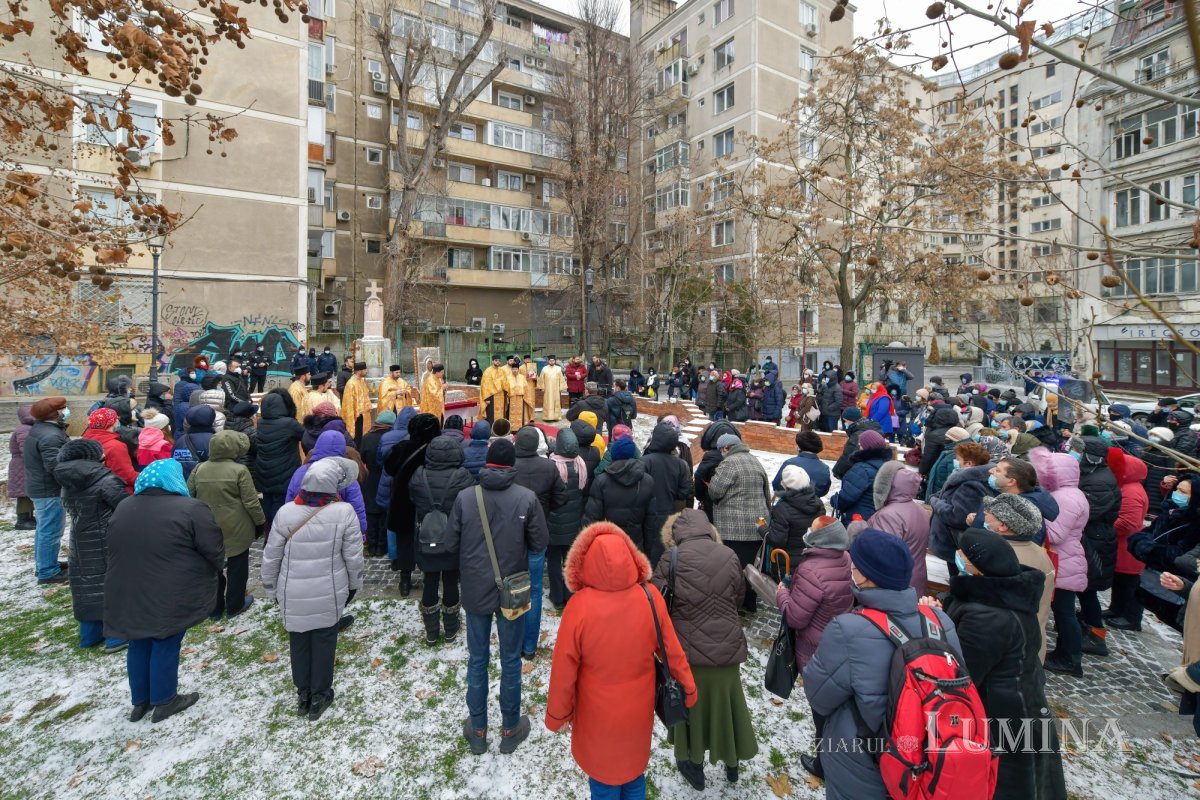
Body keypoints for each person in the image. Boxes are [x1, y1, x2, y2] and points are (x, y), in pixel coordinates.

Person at [546, 521, 697, 798]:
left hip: (596, 715)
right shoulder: (650, 597)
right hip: (638, 710)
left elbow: (563, 669)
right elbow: (672, 651)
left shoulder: (578, 607)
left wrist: (558, 714)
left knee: (604, 780)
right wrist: (688, 688)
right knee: (633, 773)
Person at [802, 529, 961, 790]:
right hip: (929, 753)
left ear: (863, 575)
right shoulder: (940, 620)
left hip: (866, 762)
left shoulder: (848, 629)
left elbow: (818, 696)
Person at [933, 528, 1066, 800]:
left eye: (963, 554)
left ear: (978, 568)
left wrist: (936, 628)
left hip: (999, 715)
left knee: (1002, 784)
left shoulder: (987, 618)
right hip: (1024, 702)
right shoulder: (1007, 596)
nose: (957, 556)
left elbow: (963, 672)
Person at [445, 438, 547, 755]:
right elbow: (541, 542)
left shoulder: (464, 498)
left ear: (487, 463)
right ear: (512, 465)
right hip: (512, 592)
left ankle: (478, 729)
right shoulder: (527, 498)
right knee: (511, 662)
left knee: (477, 661)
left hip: (476, 589)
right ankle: (509, 728)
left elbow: (450, 543)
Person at [104, 459, 223, 723]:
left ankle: (141, 700)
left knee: (138, 640)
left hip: (129, 585)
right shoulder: (191, 508)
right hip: (170, 587)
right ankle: (165, 699)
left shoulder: (125, 506)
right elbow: (212, 548)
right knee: (166, 640)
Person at [649, 509, 757, 789]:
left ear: (673, 534)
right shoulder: (729, 556)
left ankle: (693, 764)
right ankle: (732, 764)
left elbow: (656, 607)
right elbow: (738, 597)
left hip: (688, 654)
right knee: (728, 707)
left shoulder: (669, 559)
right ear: (709, 530)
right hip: (727, 652)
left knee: (692, 711)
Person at [261, 457, 363, 720]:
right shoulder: (344, 513)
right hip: (329, 589)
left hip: (292, 590)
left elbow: (271, 556)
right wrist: (354, 585)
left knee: (299, 639)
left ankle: (303, 694)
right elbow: (353, 557)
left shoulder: (285, 513)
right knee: (325, 639)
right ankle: (319, 694)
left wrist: (271, 587)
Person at [55, 439, 129, 652]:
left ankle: (89, 635)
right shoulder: (105, 481)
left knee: (86, 586)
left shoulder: (67, 481)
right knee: (114, 584)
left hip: (80, 540)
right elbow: (124, 506)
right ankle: (116, 637)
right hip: (109, 537)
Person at [187, 430, 265, 619]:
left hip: (208, 526)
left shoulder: (199, 469)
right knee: (238, 567)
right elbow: (251, 501)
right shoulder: (239, 470)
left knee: (213, 568)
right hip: (236, 526)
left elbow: (189, 495)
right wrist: (260, 521)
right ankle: (235, 604)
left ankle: (215, 608)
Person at [1028, 450, 1090, 677]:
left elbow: (1055, 534)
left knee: (1064, 612)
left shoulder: (1065, 498)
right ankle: (1067, 653)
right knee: (1064, 610)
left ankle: (1071, 658)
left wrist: (1032, 516)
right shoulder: (1070, 493)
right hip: (1065, 558)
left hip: (1063, 560)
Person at [409, 435, 475, 645]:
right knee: (450, 579)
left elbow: (413, 498)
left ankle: (431, 631)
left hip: (426, 536)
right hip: (452, 537)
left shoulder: (419, 476)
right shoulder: (463, 476)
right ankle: (451, 628)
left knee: (430, 579)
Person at [513, 426, 567, 658]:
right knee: (534, 589)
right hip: (537, 533)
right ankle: (529, 646)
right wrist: (544, 512)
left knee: (512, 586)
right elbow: (561, 498)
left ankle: (515, 642)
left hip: (512, 537)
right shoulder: (548, 466)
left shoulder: (510, 467)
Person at [776, 515, 853, 673]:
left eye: (811, 529)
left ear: (820, 538)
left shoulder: (810, 570)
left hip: (811, 649)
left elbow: (794, 619)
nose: (808, 531)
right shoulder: (846, 557)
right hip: (836, 639)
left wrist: (782, 593)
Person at [981, 496, 1054, 662]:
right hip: (1030, 649)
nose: (985, 512)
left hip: (1004, 654)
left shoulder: (1001, 558)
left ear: (1003, 526)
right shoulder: (1041, 555)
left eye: (991, 512)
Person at [1069, 435, 1121, 657]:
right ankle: (1085, 625)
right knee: (1082, 588)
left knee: (1087, 589)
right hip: (1090, 537)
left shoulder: (1099, 481)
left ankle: (1096, 635)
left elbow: (1086, 511)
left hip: (1094, 540)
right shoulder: (1092, 474)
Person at [708, 433, 771, 612]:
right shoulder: (754, 460)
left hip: (734, 528)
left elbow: (715, 491)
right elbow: (766, 492)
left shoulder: (729, 463)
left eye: (722, 450)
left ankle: (734, 604)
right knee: (751, 567)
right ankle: (750, 602)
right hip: (757, 526)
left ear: (725, 448)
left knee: (733, 567)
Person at [384, 413, 442, 596]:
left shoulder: (402, 447)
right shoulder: (438, 448)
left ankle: (405, 581)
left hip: (403, 501)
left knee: (405, 541)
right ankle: (429, 578)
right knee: (430, 539)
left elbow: (389, 468)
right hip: (430, 500)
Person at [928, 441, 996, 575]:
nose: (955, 461)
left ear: (969, 463)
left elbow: (958, 517)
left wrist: (935, 502)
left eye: (957, 459)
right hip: (955, 543)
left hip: (955, 543)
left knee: (957, 577)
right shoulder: (968, 478)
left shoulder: (971, 485)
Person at [583, 437, 657, 558]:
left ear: (613, 455)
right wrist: (647, 549)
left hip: (607, 544)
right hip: (635, 544)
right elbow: (650, 521)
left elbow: (591, 518)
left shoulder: (601, 481)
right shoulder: (647, 481)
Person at [867, 461, 931, 595]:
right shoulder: (920, 510)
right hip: (916, 578)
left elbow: (883, 555)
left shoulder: (888, 515)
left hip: (894, 586)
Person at [26, 396, 71, 584]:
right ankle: (47, 571)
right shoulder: (50, 436)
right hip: (49, 490)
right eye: (63, 408)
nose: (66, 411)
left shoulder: (41, 430)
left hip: (41, 487)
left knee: (44, 529)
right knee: (50, 530)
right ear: (55, 413)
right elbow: (55, 466)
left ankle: (46, 563)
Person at [1106, 450, 1150, 630]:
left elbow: (1128, 522)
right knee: (1120, 582)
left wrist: (1107, 530)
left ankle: (1131, 618)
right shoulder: (1127, 487)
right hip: (1124, 546)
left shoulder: (1131, 491)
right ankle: (1116, 609)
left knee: (1129, 584)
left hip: (1128, 547)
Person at [546, 429, 588, 609]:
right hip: (573, 522)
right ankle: (570, 594)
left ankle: (557, 597)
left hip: (553, 524)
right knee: (569, 561)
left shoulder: (551, 466)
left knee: (554, 562)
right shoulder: (581, 464)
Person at [641, 423, 695, 558]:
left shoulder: (644, 461)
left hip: (645, 514)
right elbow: (684, 491)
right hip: (669, 514)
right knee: (666, 551)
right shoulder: (680, 464)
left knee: (647, 551)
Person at [253, 390, 304, 527]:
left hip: (264, 471)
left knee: (268, 499)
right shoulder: (289, 424)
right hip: (284, 471)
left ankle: (268, 530)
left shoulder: (261, 422)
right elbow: (304, 435)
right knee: (280, 503)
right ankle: (277, 532)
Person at [830, 429, 892, 525]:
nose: (859, 446)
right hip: (876, 518)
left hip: (857, 519)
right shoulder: (887, 467)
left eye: (860, 444)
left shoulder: (861, 469)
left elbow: (847, 497)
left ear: (866, 447)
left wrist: (834, 500)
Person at [767, 465, 826, 565]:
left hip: (787, 561)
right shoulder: (818, 503)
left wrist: (762, 529)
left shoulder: (783, 508)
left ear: (786, 485)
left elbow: (777, 540)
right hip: (811, 559)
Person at [359, 410, 395, 558]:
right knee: (383, 513)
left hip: (371, 478)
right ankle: (381, 546)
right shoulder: (391, 438)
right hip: (386, 477)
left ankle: (371, 546)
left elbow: (363, 457)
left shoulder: (367, 438)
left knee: (371, 512)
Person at [80, 407, 137, 493]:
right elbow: (127, 476)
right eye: (116, 419)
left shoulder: (83, 442)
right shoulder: (116, 446)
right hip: (115, 492)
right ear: (112, 423)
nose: (117, 421)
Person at [694, 421, 739, 522]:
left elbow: (699, 477)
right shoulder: (740, 455)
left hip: (711, 500)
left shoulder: (711, 456)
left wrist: (700, 497)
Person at [771, 430, 831, 496]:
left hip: (789, 502)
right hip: (813, 504)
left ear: (799, 447)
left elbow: (776, 485)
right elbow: (824, 491)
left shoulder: (790, 463)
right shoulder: (824, 468)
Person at [831, 408, 883, 480]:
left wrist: (837, 471)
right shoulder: (871, 427)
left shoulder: (857, 435)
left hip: (860, 471)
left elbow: (848, 455)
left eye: (845, 421)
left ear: (850, 420)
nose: (845, 423)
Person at [7, 404, 34, 531]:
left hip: (22, 464)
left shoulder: (26, 427)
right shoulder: (24, 429)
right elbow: (26, 448)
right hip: (22, 465)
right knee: (23, 494)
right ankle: (23, 520)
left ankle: (28, 517)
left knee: (26, 492)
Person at [923, 426, 970, 500]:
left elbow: (952, 480)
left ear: (955, 439)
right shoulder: (950, 451)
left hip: (940, 494)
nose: (945, 439)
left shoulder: (956, 455)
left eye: (948, 438)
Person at [339, 361, 373, 444]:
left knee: (364, 438)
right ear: (359, 371)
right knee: (357, 439)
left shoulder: (362, 381)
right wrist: (354, 415)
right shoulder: (351, 383)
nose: (366, 371)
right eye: (365, 370)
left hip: (364, 415)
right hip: (356, 417)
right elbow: (349, 403)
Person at [505, 358, 535, 427]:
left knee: (520, 414)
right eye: (513, 369)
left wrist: (525, 396)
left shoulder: (522, 377)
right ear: (511, 370)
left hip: (520, 398)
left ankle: (520, 427)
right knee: (510, 413)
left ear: (518, 370)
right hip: (511, 398)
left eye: (516, 369)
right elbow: (506, 387)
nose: (515, 370)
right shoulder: (507, 377)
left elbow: (526, 387)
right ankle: (510, 428)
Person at [479, 354, 508, 423]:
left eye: (499, 361)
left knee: (501, 414)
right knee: (491, 415)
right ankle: (491, 429)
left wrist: (506, 392)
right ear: (492, 361)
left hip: (501, 396)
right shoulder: (488, 371)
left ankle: (500, 429)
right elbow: (484, 385)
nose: (498, 362)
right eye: (496, 360)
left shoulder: (502, 370)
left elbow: (505, 382)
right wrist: (487, 398)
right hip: (491, 397)